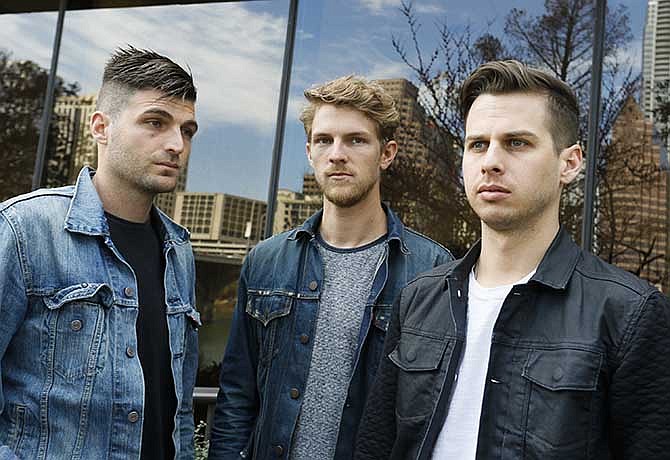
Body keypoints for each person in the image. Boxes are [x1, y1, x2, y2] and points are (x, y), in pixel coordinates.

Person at [354, 60, 670, 460]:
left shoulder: (629, 315)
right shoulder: (418, 300)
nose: (490, 161)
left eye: (517, 142)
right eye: (477, 144)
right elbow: (376, 446)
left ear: (569, 163)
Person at [207, 75, 453, 460]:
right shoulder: (266, 262)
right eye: (324, 140)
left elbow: (432, 414)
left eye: (356, 140)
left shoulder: (432, 270)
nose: (337, 153)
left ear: (386, 153)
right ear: (309, 151)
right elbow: (237, 399)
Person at [0, 46, 200, 460]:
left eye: (187, 130)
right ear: (100, 126)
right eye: (155, 122)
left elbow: (176, 404)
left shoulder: (179, 251)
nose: (176, 143)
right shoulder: (24, 229)